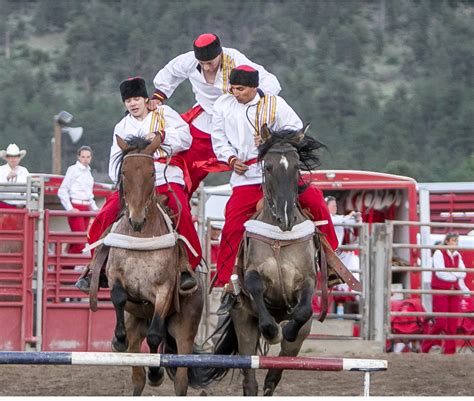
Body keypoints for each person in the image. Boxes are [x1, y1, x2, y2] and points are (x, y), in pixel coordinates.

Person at [211, 65, 339, 314]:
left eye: (241, 89)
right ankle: (228, 282)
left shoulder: (275, 104)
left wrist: (272, 139)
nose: (235, 93)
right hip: (246, 176)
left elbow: (295, 129)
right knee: (232, 222)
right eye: (233, 88)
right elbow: (218, 138)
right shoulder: (222, 106)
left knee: (314, 199)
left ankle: (331, 261)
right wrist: (229, 159)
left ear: (254, 87)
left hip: (278, 173)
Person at [75, 77, 202, 293]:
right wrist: (128, 179)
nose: (133, 104)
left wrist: (162, 136)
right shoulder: (122, 126)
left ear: (145, 98)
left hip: (165, 174)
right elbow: (114, 163)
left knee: (181, 211)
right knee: (105, 215)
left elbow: (186, 138)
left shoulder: (164, 113)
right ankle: (98, 267)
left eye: (136, 99)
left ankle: (186, 266)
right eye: (128, 101)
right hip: (134, 183)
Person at [149, 33, 281, 197]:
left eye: (210, 63)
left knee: (251, 160)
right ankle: (179, 205)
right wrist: (159, 96)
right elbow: (171, 73)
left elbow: (271, 81)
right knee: (184, 163)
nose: (206, 68)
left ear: (219, 54)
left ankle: (265, 197)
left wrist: (254, 100)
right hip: (205, 118)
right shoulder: (189, 61)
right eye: (202, 63)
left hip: (235, 119)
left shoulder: (235, 59)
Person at [421, 232, 470, 354]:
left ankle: (449, 351)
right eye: (454, 241)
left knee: (452, 323)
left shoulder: (458, 255)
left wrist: (455, 276)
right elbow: (440, 273)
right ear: (447, 241)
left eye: (457, 241)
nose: (456, 244)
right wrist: (456, 275)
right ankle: (425, 347)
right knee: (441, 322)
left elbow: (463, 273)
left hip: (454, 292)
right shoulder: (439, 253)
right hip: (441, 290)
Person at [58, 146, 99, 254]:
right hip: (76, 205)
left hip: (86, 208)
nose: (85, 159)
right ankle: (68, 266)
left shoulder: (89, 173)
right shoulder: (73, 170)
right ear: (78, 157)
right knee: (80, 240)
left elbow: (89, 194)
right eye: (83, 157)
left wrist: (95, 209)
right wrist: (70, 208)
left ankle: (67, 266)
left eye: (88, 157)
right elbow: (62, 190)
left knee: (80, 239)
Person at [0, 144, 30, 208]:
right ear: (7, 158)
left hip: (22, 206)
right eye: (10, 157)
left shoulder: (24, 171)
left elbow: (31, 189)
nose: (13, 159)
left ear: (19, 158)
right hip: (4, 205)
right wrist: (7, 179)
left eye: (16, 156)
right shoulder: (1, 170)